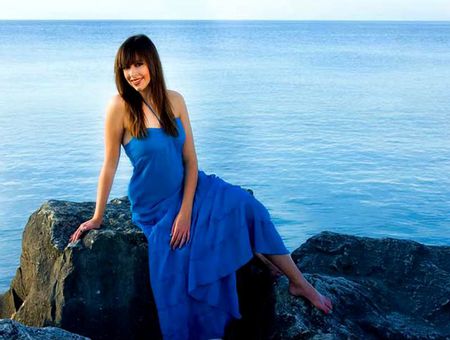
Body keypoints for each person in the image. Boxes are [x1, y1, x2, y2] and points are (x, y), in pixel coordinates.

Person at [69, 34, 333, 339]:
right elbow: (109, 166)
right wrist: (98, 216)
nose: (133, 73)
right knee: (178, 257)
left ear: (151, 63)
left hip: (192, 190)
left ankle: (299, 282)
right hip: (153, 206)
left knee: (248, 207)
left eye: (138, 64)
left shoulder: (175, 100)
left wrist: (186, 212)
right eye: (126, 68)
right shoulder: (119, 106)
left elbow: (191, 162)